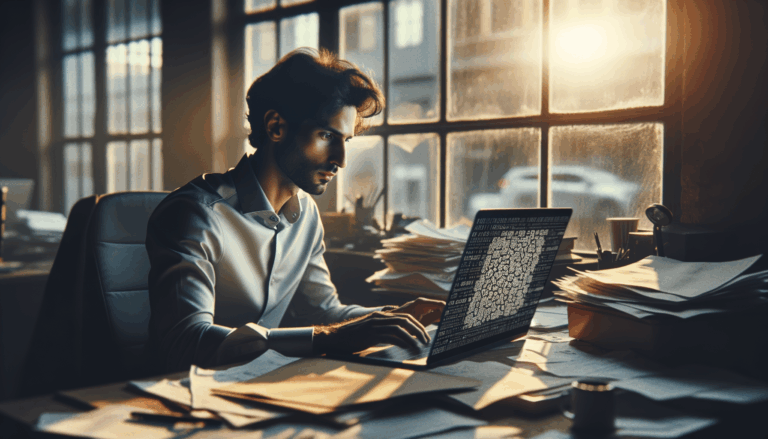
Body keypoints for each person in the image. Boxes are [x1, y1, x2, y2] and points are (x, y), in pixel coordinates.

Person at [146, 48, 444, 373]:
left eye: (345, 140)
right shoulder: (196, 215)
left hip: (264, 390)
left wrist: (393, 316)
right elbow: (186, 343)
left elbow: (323, 313)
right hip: (181, 402)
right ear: (276, 126)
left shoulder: (306, 215)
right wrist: (325, 338)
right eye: (327, 135)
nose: (341, 159)